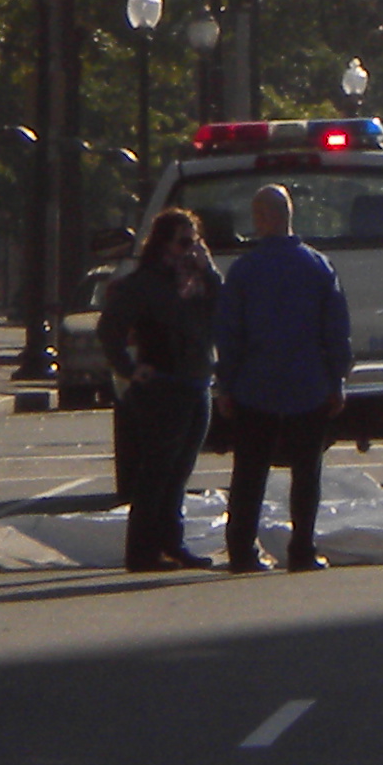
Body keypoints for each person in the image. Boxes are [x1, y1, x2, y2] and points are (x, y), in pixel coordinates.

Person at [212, 181, 350, 572]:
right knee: (307, 473)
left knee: (249, 473)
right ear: (289, 216)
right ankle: (302, 549)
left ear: (261, 219)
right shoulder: (317, 266)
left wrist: (226, 383)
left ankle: (241, 550)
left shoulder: (244, 270)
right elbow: (335, 328)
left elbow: (229, 332)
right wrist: (337, 378)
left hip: (255, 384)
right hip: (308, 383)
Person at [100, 209, 220, 572]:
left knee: (180, 471)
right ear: (163, 243)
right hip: (163, 388)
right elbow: (110, 328)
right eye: (183, 242)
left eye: (195, 241)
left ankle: (173, 542)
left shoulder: (199, 281)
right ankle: (142, 551)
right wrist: (129, 368)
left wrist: (209, 269)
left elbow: (224, 309)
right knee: (156, 472)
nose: (190, 250)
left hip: (197, 383)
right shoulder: (146, 283)